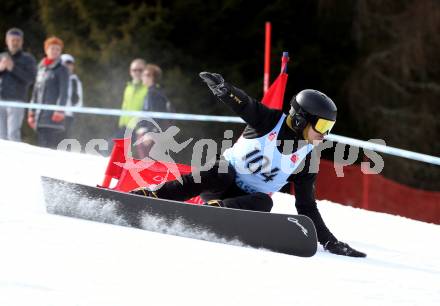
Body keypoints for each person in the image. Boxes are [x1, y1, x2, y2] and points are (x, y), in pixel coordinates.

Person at [131, 72, 367, 258]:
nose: (325, 135)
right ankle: (154, 195)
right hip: (219, 182)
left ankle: (217, 212)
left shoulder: (306, 160)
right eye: (323, 126)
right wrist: (224, 90)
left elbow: (307, 207)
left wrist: (329, 241)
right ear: (300, 119)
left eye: (329, 129)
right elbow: (245, 104)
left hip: (241, 204)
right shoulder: (269, 121)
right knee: (221, 171)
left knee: (265, 201)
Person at [28, 37, 69, 149]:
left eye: (57, 49)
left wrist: (59, 110)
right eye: (52, 48)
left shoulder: (62, 69)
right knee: (41, 146)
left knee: (50, 147)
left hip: (53, 117)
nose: (54, 51)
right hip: (40, 116)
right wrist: (31, 112)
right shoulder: (41, 69)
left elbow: (64, 92)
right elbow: (35, 92)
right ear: (46, 50)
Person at [0, 28, 36, 141]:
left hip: (16, 101)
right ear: (7, 41)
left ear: (22, 42)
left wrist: (13, 68)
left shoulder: (28, 59)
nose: (15, 42)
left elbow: (31, 79)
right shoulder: (2, 57)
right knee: (1, 136)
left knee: (12, 134)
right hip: (0, 100)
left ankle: (15, 159)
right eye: (12, 40)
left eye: (17, 40)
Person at [135, 64, 174, 158]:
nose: (142, 77)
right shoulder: (151, 92)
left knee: (150, 165)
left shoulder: (155, 93)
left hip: (151, 135)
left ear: (151, 77)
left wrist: (150, 133)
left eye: (144, 75)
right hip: (146, 133)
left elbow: (156, 115)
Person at [116, 58, 148, 137]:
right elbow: (124, 106)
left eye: (140, 70)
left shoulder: (149, 89)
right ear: (130, 72)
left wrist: (145, 129)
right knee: (112, 147)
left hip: (140, 130)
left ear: (145, 71)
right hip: (125, 128)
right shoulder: (128, 87)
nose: (137, 72)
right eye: (134, 70)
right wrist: (121, 124)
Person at [61, 53, 83, 139]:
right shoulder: (54, 78)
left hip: (68, 116)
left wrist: (75, 110)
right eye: (65, 64)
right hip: (53, 115)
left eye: (70, 64)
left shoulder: (75, 81)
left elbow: (79, 100)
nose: (68, 67)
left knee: (65, 140)